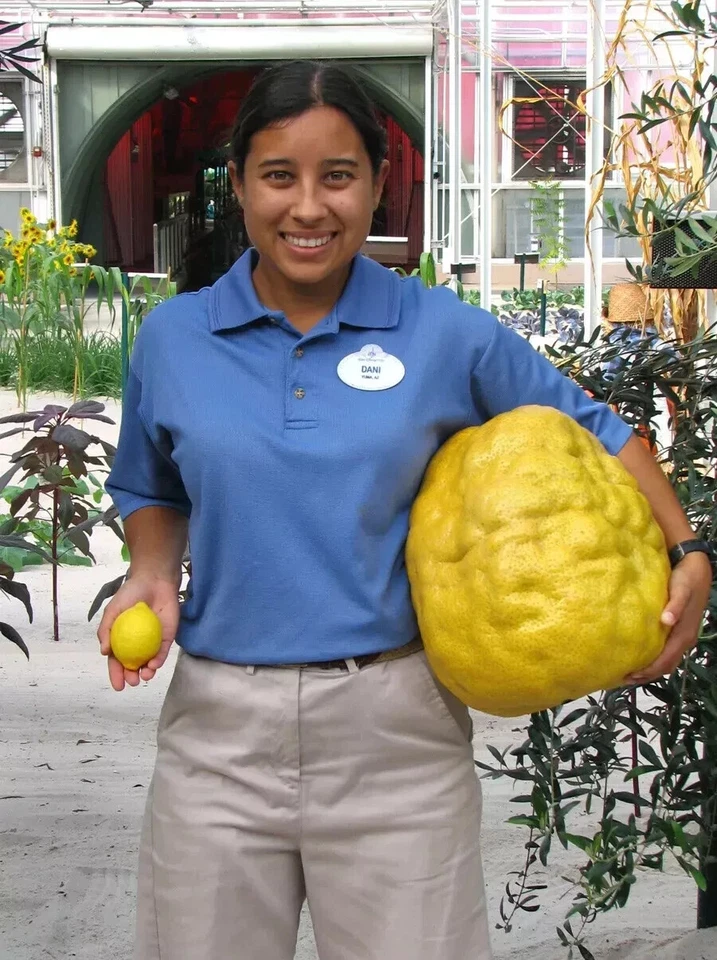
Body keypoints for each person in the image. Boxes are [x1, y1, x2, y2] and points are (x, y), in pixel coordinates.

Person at [99, 60, 713, 960]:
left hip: (395, 729)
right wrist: (149, 576)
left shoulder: (444, 333)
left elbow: (598, 430)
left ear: (379, 185)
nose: (308, 207)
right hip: (219, 734)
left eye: (337, 176)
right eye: (279, 176)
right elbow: (154, 485)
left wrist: (689, 549)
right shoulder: (174, 338)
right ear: (237, 185)